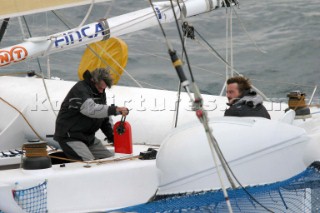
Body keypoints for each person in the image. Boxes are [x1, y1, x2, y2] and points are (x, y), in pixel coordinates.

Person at [54, 68, 129, 161]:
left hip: (89, 138)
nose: (102, 91)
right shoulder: (80, 89)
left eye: (104, 89)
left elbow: (103, 117)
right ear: (93, 80)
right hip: (70, 137)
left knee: (110, 160)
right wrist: (114, 109)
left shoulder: (99, 92)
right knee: (89, 163)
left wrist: (112, 137)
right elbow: (90, 109)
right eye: (100, 88)